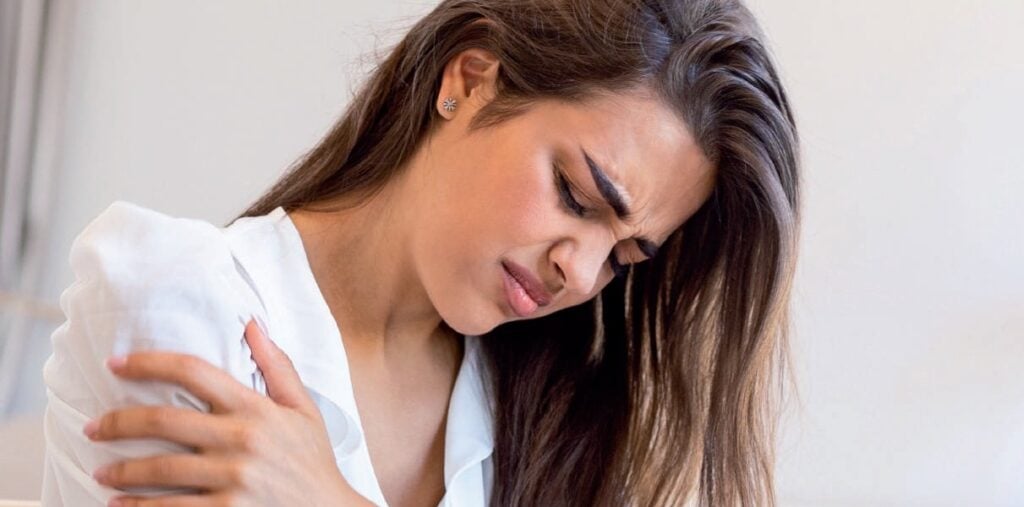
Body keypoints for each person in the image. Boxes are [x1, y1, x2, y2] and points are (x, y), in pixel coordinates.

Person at [41, 0, 800, 505]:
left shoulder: (544, 421)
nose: (581, 269)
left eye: (625, 256)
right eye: (575, 193)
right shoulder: (178, 298)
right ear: (468, 81)